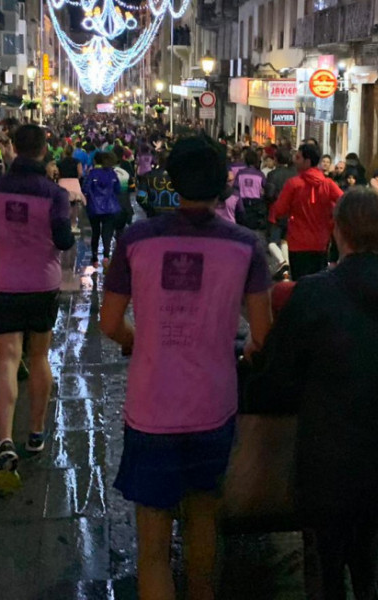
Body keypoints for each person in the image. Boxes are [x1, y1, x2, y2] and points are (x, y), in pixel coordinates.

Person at [100, 134, 272, 600]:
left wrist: (143, 343)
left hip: (151, 406)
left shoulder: (136, 241)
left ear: (171, 182)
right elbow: (263, 331)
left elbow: (110, 323)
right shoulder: (246, 246)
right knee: (203, 520)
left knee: (153, 545)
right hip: (213, 405)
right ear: (225, 183)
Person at [248, 187, 378, 600]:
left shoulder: (314, 293)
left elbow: (281, 373)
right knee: (366, 545)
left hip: (330, 457)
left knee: (329, 556)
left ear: (337, 231)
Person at [0, 125, 74, 478]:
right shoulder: (53, 194)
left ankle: (5, 437)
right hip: (42, 282)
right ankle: (36, 432)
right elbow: (63, 240)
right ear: (44, 150)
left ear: (13, 148)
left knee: (8, 359)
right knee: (39, 356)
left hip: (6, 283)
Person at [269, 143, 344, 279]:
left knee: (300, 282)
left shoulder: (293, 184)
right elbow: (346, 202)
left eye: (298, 157)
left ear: (307, 161)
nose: (294, 160)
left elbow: (279, 210)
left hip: (297, 243)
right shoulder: (328, 184)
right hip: (321, 243)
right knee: (319, 283)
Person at [84, 152, 122, 267]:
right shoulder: (112, 174)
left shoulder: (92, 174)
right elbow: (118, 189)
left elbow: (85, 188)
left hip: (94, 208)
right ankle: (106, 256)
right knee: (107, 232)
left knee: (95, 232)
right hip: (110, 207)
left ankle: (94, 258)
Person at [137, 151, 179, 217]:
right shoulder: (180, 176)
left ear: (159, 161)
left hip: (155, 217)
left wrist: (149, 210)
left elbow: (140, 197)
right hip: (176, 216)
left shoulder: (148, 176)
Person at [233, 150, 267, 231]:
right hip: (256, 204)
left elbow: (235, 188)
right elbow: (265, 186)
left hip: (242, 203)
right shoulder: (260, 174)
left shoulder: (240, 173)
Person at [57, 145, 85, 233]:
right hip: (74, 182)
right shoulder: (77, 161)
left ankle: (64, 224)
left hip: (62, 182)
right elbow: (80, 173)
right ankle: (73, 225)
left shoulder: (60, 162)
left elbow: (57, 173)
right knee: (75, 205)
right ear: (73, 152)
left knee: (64, 204)